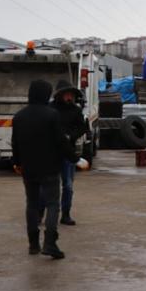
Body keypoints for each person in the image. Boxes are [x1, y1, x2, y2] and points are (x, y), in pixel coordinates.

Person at [11, 79, 79, 260]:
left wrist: (17, 163)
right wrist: (75, 158)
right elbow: (61, 141)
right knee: (52, 204)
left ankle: (33, 244)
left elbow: (15, 143)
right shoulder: (52, 115)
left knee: (32, 204)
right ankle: (50, 243)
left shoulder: (19, 116)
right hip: (50, 168)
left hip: (28, 169)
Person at [52, 80, 89, 226]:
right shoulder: (50, 109)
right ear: (60, 95)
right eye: (67, 94)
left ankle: (66, 214)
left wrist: (71, 136)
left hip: (68, 153)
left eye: (71, 95)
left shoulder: (76, 110)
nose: (69, 97)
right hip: (52, 153)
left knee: (68, 185)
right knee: (48, 185)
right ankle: (41, 211)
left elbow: (83, 128)